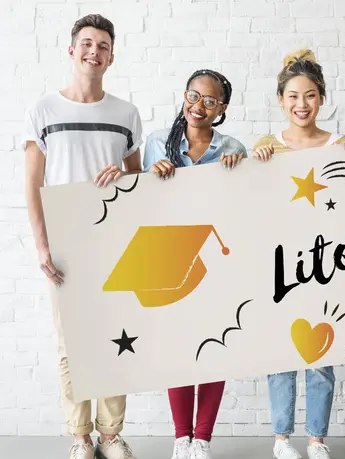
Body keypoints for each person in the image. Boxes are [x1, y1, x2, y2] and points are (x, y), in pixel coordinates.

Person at [23, 14, 142, 459]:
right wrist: (41, 245)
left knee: (116, 338)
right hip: (66, 246)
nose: (95, 51)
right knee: (70, 344)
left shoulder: (125, 114)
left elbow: (137, 185)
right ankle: (81, 436)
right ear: (72, 51)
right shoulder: (44, 111)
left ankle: (111, 434)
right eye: (87, 43)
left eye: (104, 45)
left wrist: (122, 179)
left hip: (113, 244)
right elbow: (33, 183)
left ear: (112, 57)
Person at [252, 49, 345, 459]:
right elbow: (251, 203)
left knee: (322, 353)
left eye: (311, 96)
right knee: (280, 354)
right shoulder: (267, 146)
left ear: (322, 98)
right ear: (281, 100)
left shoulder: (340, 144)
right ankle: (282, 439)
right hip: (280, 265)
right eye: (294, 96)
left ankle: (317, 438)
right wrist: (255, 163)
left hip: (328, 263)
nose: (302, 105)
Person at [142, 68, 245, 459]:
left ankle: (202, 440)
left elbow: (243, 207)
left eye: (210, 100)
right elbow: (138, 204)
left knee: (213, 350)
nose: (199, 106)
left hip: (216, 263)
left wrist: (241, 173)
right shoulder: (156, 143)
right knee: (178, 352)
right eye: (193, 95)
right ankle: (180, 438)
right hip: (170, 258)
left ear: (222, 109)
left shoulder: (232, 147)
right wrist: (151, 175)